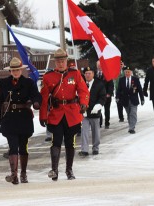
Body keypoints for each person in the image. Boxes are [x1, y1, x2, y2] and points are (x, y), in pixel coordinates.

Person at [39, 48, 89, 181]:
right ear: (55, 62)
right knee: (56, 141)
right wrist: (43, 115)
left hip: (72, 113)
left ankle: (69, 170)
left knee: (69, 142)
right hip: (56, 113)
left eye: (63, 61)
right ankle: (54, 170)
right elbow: (44, 98)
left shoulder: (75, 74)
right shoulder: (48, 76)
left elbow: (83, 91)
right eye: (58, 61)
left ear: (67, 61)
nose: (60, 63)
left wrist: (84, 103)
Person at [0, 57, 42, 184]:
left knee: (23, 147)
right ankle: (14, 175)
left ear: (21, 70)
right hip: (9, 118)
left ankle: (23, 174)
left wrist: (37, 102)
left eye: (17, 70)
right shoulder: (5, 82)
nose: (15, 72)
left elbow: (36, 95)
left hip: (24, 118)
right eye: (13, 70)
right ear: (10, 71)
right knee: (12, 146)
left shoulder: (28, 83)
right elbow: (1, 100)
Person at [78, 67, 106, 157]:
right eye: (86, 73)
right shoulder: (81, 84)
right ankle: (84, 149)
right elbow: (77, 96)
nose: (88, 75)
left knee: (96, 132)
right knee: (84, 132)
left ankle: (95, 148)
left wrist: (98, 106)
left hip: (95, 112)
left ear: (93, 74)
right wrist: (81, 108)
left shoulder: (99, 84)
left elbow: (102, 97)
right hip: (84, 112)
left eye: (89, 73)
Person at [116, 66, 144, 134]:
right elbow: (118, 90)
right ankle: (131, 126)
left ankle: (132, 128)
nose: (127, 73)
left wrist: (142, 99)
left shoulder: (136, 79)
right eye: (126, 72)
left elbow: (140, 90)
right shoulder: (121, 80)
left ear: (131, 72)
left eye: (128, 72)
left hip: (134, 100)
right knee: (129, 114)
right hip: (125, 100)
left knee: (133, 113)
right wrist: (117, 97)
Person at [96, 60, 114, 129]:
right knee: (98, 109)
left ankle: (107, 122)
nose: (99, 67)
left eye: (100, 65)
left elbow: (111, 85)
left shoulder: (107, 74)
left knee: (107, 110)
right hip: (98, 96)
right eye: (98, 65)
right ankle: (99, 123)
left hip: (106, 95)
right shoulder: (94, 74)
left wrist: (109, 93)